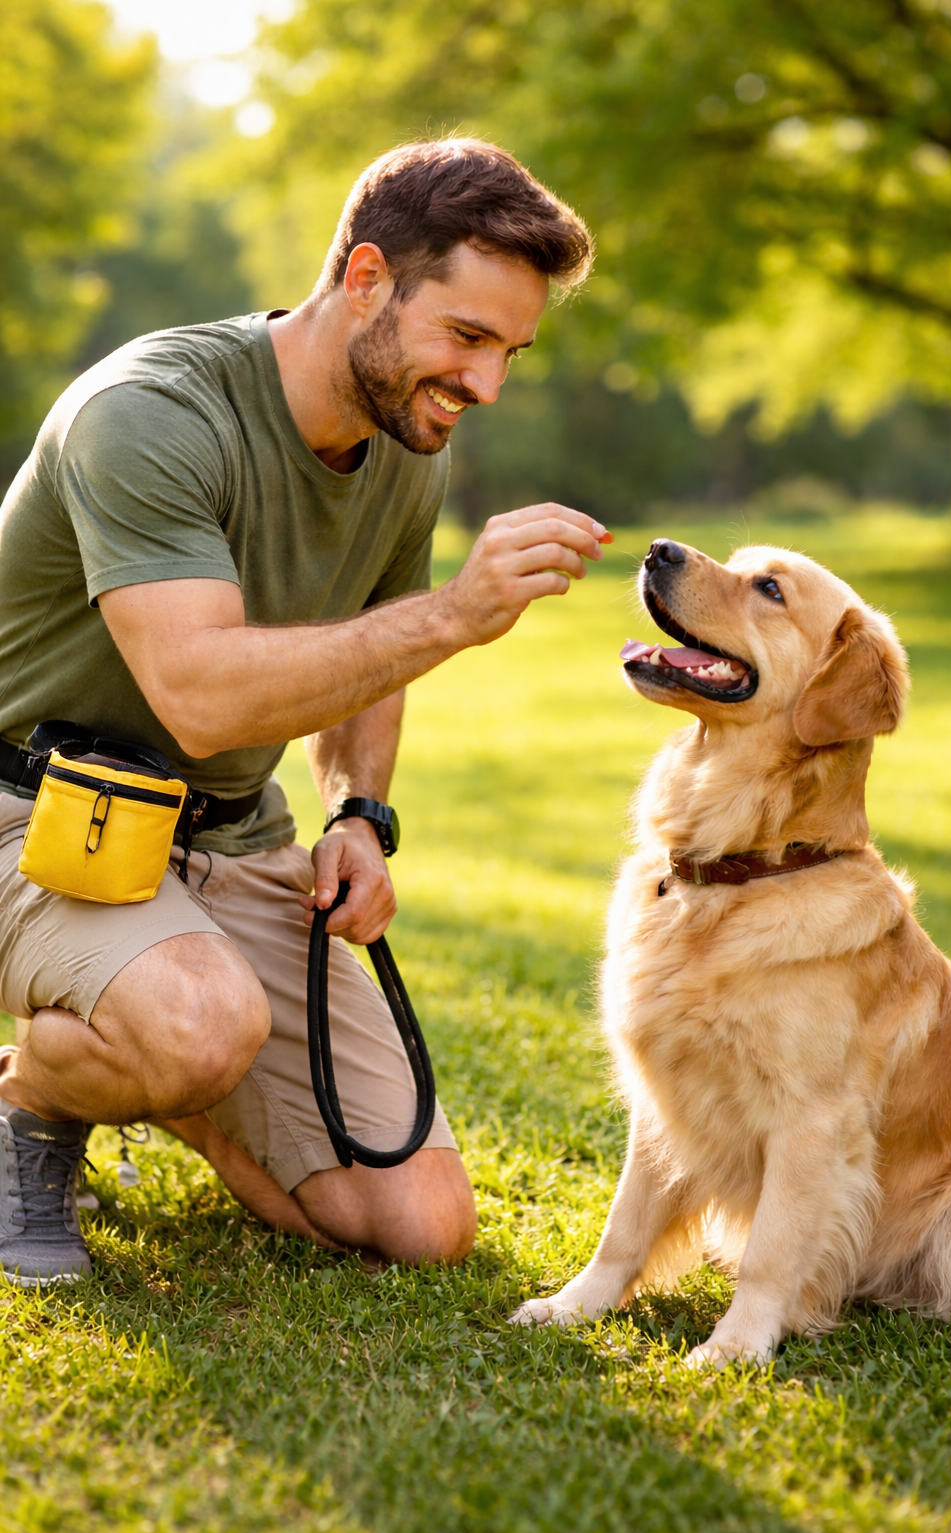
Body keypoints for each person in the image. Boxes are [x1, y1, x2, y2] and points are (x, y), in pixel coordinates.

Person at [0, 138, 608, 1286]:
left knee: (416, 1229)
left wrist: (360, 816)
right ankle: (32, 1107)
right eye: (467, 338)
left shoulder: (403, 441)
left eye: (510, 352)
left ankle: (147, 1051)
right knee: (195, 1025)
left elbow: (363, 662)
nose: (486, 386)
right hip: (28, 819)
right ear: (367, 278)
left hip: (229, 845)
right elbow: (198, 692)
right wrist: (457, 614)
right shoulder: (150, 414)